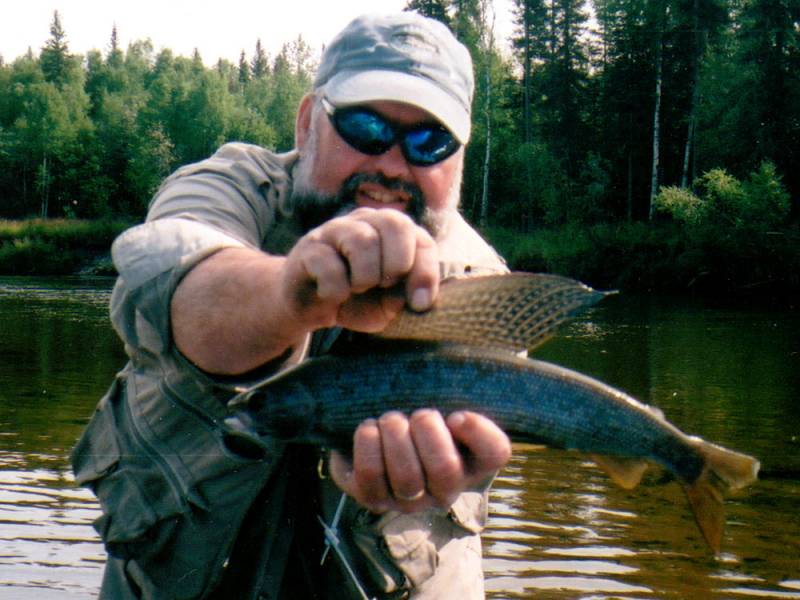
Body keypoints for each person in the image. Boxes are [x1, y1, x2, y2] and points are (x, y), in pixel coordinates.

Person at [72, 12, 512, 599]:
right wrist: (292, 294)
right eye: (364, 126)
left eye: (429, 141)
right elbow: (182, 289)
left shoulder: (481, 280)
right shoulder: (226, 188)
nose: (390, 164)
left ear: (457, 163)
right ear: (308, 125)